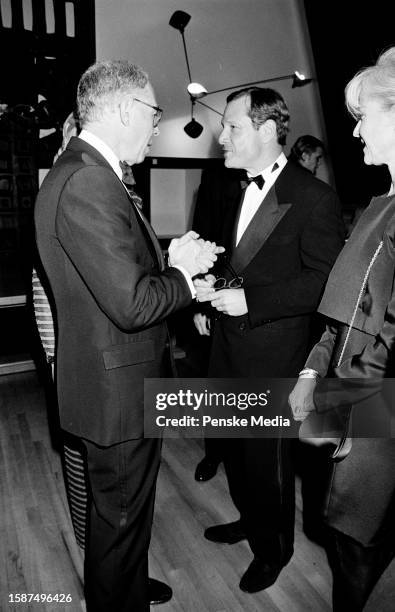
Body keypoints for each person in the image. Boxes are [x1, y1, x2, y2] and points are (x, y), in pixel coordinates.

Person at [34, 59, 222, 612]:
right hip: (118, 397)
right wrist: (184, 273)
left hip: (122, 385)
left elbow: (122, 280)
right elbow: (135, 302)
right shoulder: (90, 178)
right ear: (121, 109)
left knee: (125, 514)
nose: (157, 125)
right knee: (117, 521)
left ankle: (130, 586)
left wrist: (174, 266)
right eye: (153, 112)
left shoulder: (83, 169)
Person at [194, 86, 345, 593]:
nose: (221, 137)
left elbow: (324, 280)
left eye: (231, 127)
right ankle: (249, 520)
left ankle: (274, 549)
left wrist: (252, 302)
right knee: (236, 450)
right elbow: (235, 261)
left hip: (274, 352)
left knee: (267, 461)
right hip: (227, 342)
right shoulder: (230, 184)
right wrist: (208, 294)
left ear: (265, 129)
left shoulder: (314, 196)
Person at [289, 47, 395, 611]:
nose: (353, 133)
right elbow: (350, 308)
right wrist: (311, 366)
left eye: (362, 116)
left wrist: (343, 402)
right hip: (355, 400)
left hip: (378, 414)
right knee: (348, 543)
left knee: (358, 549)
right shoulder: (379, 206)